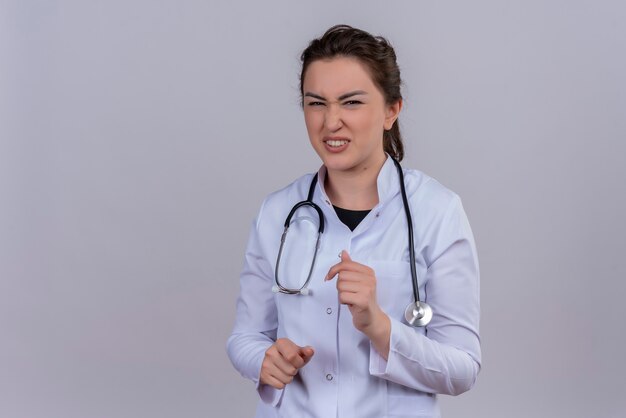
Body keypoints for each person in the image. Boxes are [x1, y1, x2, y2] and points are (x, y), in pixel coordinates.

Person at [227, 24, 481, 418]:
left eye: (351, 102)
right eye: (316, 103)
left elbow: (462, 369)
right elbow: (245, 337)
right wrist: (264, 359)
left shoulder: (437, 212)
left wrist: (378, 325)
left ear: (391, 110)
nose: (330, 122)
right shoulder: (278, 212)